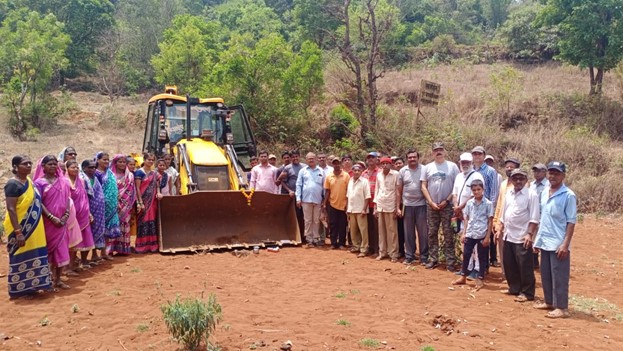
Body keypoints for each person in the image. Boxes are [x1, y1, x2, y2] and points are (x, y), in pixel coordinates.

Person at [4, 155, 53, 298]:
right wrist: (18, 232)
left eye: (30, 163)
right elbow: (11, 209)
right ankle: (21, 290)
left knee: (36, 253)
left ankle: (36, 285)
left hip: (35, 227)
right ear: (15, 167)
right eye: (25, 164)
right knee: (21, 255)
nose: (29, 166)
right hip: (20, 227)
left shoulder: (30, 182)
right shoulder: (12, 184)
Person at [533, 161, 577, 319]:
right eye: (551, 173)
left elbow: (571, 222)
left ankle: (562, 308)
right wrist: (537, 240)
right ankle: (550, 302)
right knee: (546, 274)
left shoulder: (568, 195)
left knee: (559, 275)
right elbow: (543, 218)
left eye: (556, 173)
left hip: (559, 242)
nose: (552, 176)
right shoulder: (545, 192)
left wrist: (565, 244)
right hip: (545, 240)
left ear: (563, 176)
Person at [498, 169, 540, 302]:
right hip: (508, 234)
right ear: (510, 180)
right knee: (509, 263)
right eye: (515, 178)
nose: (518, 181)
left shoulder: (531, 195)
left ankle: (527, 293)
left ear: (526, 180)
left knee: (525, 265)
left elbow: (534, 217)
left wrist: (529, 234)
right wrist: (500, 228)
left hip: (522, 236)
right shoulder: (508, 194)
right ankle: (514, 288)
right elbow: (503, 213)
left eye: (521, 178)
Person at [33, 156, 72, 290]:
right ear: (43, 166)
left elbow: (67, 198)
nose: (53, 166)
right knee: (48, 251)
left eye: (55, 164)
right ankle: (47, 281)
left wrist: (66, 214)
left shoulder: (63, 181)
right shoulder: (39, 183)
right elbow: (39, 202)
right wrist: (51, 217)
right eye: (50, 164)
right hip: (47, 223)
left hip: (62, 222)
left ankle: (58, 279)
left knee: (61, 249)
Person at [421, 142, 460, 271]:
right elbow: (423, 186)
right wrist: (431, 202)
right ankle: (433, 259)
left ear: (444, 151)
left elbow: (456, 186)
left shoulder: (452, 166)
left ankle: (450, 261)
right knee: (432, 233)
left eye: (440, 150)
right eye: (436, 150)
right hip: (432, 206)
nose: (438, 152)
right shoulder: (427, 167)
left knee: (448, 233)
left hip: (447, 206)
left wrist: (447, 200)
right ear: (432, 152)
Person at [452, 179, 492, 290]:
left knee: (482, 256)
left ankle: (480, 277)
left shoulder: (488, 203)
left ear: (483, 190)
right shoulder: (469, 203)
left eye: (478, 189)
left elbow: (490, 220)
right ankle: (463, 276)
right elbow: (466, 219)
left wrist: (488, 236)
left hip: (482, 233)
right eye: (474, 190)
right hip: (470, 232)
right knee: (466, 255)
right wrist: (464, 233)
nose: (476, 192)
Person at [452, 152, 484, 277]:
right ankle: (467, 267)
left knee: (475, 242)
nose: (465, 164)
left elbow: (474, 194)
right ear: (459, 163)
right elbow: (454, 193)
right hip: (460, 213)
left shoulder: (477, 176)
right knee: (464, 241)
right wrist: (456, 208)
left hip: (473, 214)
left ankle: (477, 268)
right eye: (462, 162)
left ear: (471, 163)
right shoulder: (459, 176)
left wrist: (460, 207)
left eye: (467, 162)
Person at [398, 149, 429, 266]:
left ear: (418, 158)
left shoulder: (424, 169)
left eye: (414, 157)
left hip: (421, 205)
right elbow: (399, 190)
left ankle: (424, 257)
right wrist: (398, 207)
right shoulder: (403, 171)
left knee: (423, 232)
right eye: (410, 157)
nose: (412, 159)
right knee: (408, 232)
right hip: (407, 205)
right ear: (407, 159)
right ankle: (409, 256)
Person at [65, 160, 95, 270]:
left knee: (85, 239)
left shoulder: (81, 181)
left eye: (77, 167)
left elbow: (85, 197)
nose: (75, 169)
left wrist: (89, 212)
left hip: (83, 214)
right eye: (73, 167)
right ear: (67, 169)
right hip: (72, 216)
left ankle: (80, 263)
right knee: (71, 242)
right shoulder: (64, 182)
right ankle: (68, 267)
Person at [493, 158, 521, 274]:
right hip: (501, 222)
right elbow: (499, 203)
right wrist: (495, 221)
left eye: (512, 167)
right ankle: (506, 275)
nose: (509, 169)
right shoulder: (504, 184)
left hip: (515, 224)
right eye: (507, 167)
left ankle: (516, 276)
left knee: (515, 251)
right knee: (502, 250)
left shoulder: (522, 185)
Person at [95, 152, 121, 260]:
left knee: (107, 231)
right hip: (99, 206)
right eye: (104, 159)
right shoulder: (95, 173)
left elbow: (114, 189)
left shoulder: (110, 173)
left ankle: (104, 253)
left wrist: (116, 201)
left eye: (107, 160)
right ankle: (94, 254)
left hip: (111, 205)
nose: (106, 161)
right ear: (97, 160)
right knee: (97, 229)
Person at [134, 153, 163, 253]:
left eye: (152, 160)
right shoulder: (139, 172)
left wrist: (159, 193)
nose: (150, 162)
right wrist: (140, 202)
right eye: (149, 160)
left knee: (152, 222)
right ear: (144, 160)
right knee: (142, 222)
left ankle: (152, 246)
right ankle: (141, 246)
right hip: (143, 201)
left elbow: (157, 185)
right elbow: (137, 188)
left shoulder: (154, 173)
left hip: (153, 202)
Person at [374, 157, 401, 262]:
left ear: (391, 164)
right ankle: (382, 252)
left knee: (392, 231)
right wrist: (375, 206)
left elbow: (397, 191)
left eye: (387, 163)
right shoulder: (379, 175)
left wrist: (396, 207)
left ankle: (393, 253)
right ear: (381, 165)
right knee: (381, 231)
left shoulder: (395, 175)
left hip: (391, 206)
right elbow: (377, 190)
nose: (385, 165)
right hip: (381, 205)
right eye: (383, 163)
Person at [296, 152, 326, 247]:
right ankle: (309, 239)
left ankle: (316, 239)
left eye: (312, 158)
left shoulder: (321, 171)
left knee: (316, 220)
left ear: (316, 159)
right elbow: (299, 185)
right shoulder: (303, 171)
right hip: (306, 200)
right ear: (306, 160)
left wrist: (324, 200)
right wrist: (298, 198)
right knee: (308, 220)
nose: (311, 160)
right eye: (309, 158)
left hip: (318, 200)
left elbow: (324, 186)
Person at [109, 154, 136, 255]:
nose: (122, 164)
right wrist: (115, 202)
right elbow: (109, 190)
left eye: (124, 162)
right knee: (112, 225)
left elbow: (131, 191)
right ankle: (110, 249)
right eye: (119, 162)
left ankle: (123, 249)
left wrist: (126, 204)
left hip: (126, 205)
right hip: (113, 205)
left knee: (124, 225)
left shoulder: (130, 176)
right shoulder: (110, 175)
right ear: (115, 163)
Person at [81, 160, 106, 264]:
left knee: (95, 233)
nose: (92, 169)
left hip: (98, 211)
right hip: (88, 211)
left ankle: (94, 255)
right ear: (84, 168)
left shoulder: (95, 178)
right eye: (90, 167)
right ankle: (83, 260)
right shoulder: (82, 179)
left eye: (94, 167)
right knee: (87, 235)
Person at [323, 158, 350, 249]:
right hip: (332, 204)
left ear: (340, 164)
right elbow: (327, 191)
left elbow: (349, 191)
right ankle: (333, 243)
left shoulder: (346, 176)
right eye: (334, 163)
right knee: (333, 224)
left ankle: (342, 243)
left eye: (338, 163)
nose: (336, 165)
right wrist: (324, 203)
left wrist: (348, 203)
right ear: (332, 164)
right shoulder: (329, 176)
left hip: (343, 205)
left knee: (343, 224)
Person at [279, 150, 306, 240]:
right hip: (292, 196)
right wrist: (289, 190)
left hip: (303, 196)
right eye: (293, 157)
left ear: (299, 156)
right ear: (291, 158)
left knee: (302, 216)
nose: (295, 158)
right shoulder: (287, 168)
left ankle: (302, 236)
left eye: (296, 156)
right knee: (292, 216)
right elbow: (282, 181)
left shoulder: (304, 167)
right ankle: (292, 236)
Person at [346, 163, 371, 257]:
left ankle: (364, 249)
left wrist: (364, 209)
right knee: (353, 230)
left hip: (361, 210)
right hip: (352, 209)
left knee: (363, 230)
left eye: (358, 170)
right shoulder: (350, 181)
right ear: (352, 171)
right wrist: (348, 208)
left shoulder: (364, 181)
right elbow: (348, 196)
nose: (356, 172)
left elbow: (367, 197)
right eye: (355, 170)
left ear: (361, 172)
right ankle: (356, 246)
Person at [530, 163, 549, 267]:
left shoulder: (548, 185)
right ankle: (534, 261)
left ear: (544, 172)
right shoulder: (531, 184)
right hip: (533, 215)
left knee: (541, 238)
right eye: (535, 171)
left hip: (543, 215)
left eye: (539, 171)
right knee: (532, 238)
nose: (536, 173)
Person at [362, 152, 380, 254]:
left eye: (372, 158)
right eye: (368, 158)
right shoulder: (363, 173)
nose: (370, 159)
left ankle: (377, 248)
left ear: (377, 159)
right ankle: (370, 247)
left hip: (376, 203)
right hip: (365, 204)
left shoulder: (380, 172)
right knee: (368, 227)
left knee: (376, 228)